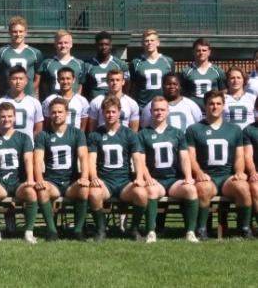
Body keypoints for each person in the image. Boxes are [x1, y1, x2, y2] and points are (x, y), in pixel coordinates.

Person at [186, 90, 252, 239]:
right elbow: (191, 157)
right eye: (211, 104)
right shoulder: (194, 129)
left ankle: (244, 228)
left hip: (227, 176)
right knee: (203, 188)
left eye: (218, 104)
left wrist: (240, 171)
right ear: (205, 106)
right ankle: (202, 229)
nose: (214, 107)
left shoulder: (234, 129)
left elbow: (239, 155)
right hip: (207, 176)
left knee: (243, 186)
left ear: (223, 106)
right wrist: (199, 173)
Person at [87, 95, 148, 241]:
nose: (110, 115)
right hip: (105, 182)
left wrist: (139, 178)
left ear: (119, 112)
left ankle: (134, 230)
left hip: (124, 182)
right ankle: (101, 230)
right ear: (102, 113)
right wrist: (94, 177)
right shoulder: (95, 135)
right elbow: (91, 160)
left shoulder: (129, 134)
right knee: (94, 194)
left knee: (141, 194)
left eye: (113, 112)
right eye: (107, 112)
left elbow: (137, 158)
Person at [139, 97, 199, 243]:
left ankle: (190, 231)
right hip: (155, 179)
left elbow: (184, 157)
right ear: (151, 112)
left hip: (173, 179)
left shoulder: (177, 133)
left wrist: (188, 176)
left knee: (191, 190)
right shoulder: (143, 134)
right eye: (156, 110)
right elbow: (140, 160)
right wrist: (147, 177)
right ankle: (151, 231)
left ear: (168, 111)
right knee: (151, 191)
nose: (159, 112)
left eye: (162, 109)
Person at [34, 98, 90, 240]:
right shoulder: (43, 135)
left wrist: (84, 177)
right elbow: (37, 159)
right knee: (41, 190)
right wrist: (40, 180)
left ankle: (78, 231)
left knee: (84, 188)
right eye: (53, 112)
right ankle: (52, 231)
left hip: (71, 181)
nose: (57, 115)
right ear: (49, 114)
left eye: (60, 112)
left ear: (66, 114)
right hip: (52, 181)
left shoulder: (77, 133)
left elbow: (83, 157)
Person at [0, 102, 38, 244]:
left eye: (9, 116)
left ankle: (29, 233)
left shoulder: (24, 138)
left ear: (14, 118)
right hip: (0, 181)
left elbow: (28, 159)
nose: (6, 119)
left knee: (31, 192)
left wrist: (30, 179)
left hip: (18, 181)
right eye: (3, 116)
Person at [0, 16, 42, 98]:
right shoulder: (0, 53)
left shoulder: (35, 53)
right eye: (15, 31)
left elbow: (37, 78)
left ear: (26, 32)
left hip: (27, 97)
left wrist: (29, 93)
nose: (18, 34)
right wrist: (2, 94)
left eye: (21, 31)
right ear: (9, 32)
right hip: (7, 97)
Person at [0, 65, 43, 137]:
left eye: (21, 79)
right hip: (5, 146)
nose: (18, 82)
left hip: (28, 147)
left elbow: (38, 129)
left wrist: (29, 144)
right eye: (14, 79)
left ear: (26, 81)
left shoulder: (35, 103)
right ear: (9, 80)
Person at [130, 29, 174, 108]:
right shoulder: (135, 62)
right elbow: (132, 86)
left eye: (152, 40)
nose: (149, 43)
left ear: (158, 42)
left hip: (163, 106)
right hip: (142, 107)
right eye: (146, 41)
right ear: (142, 43)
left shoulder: (168, 61)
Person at [34, 30, 84, 99]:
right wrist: (50, 99)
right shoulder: (47, 63)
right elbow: (44, 85)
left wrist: (76, 100)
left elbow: (80, 85)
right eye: (60, 43)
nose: (63, 45)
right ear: (55, 45)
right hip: (54, 103)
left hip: (73, 102)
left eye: (66, 43)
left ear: (71, 44)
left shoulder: (80, 64)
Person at [181, 38, 226, 111]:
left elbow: (224, 91)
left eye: (204, 50)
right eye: (198, 50)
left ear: (209, 52)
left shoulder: (218, 71)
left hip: (213, 110)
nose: (201, 53)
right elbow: (182, 93)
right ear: (193, 52)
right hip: (193, 111)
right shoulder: (186, 72)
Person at [84, 31, 129, 99]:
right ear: (96, 45)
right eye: (101, 44)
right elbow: (84, 89)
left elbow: (127, 86)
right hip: (95, 105)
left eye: (106, 44)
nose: (104, 47)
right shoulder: (88, 65)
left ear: (111, 45)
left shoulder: (120, 64)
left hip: (115, 105)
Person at [242, 113, 258, 230]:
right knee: (256, 188)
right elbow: (247, 156)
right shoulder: (249, 130)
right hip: (256, 173)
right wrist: (253, 172)